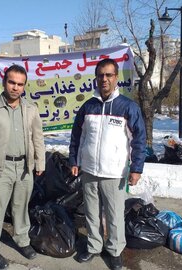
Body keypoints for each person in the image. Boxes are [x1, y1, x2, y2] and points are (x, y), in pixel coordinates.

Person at [69, 58, 146, 270]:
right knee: (91, 213)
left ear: (116, 78)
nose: (104, 79)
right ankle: (94, 246)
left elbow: (139, 139)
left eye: (109, 75)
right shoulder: (88, 106)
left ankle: (114, 250)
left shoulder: (127, 107)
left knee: (114, 215)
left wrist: (136, 168)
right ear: (96, 78)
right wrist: (74, 160)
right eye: (101, 75)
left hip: (114, 172)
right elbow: (77, 136)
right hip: (89, 170)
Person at [0, 64, 45, 270]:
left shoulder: (30, 109)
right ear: (4, 82)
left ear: (24, 86)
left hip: (24, 167)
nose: (16, 87)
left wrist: (40, 162)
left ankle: (22, 240)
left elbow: (38, 138)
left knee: (21, 208)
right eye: (12, 82)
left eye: (20, 84)